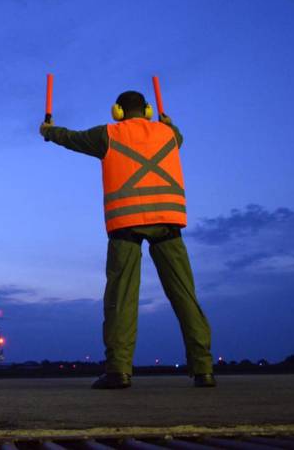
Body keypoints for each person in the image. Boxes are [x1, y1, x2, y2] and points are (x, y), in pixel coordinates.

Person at [40, 90, 216, 389]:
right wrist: (169, 123)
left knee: (121, 298)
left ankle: (118, 371)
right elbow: (178, 137)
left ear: (117, 111)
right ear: (147, 110)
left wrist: (49, 131)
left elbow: (71, 137)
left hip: (126, 224)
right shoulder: (169, 134)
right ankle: (204, 370)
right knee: (185, 295)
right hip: (168, 222)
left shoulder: (108, 134)